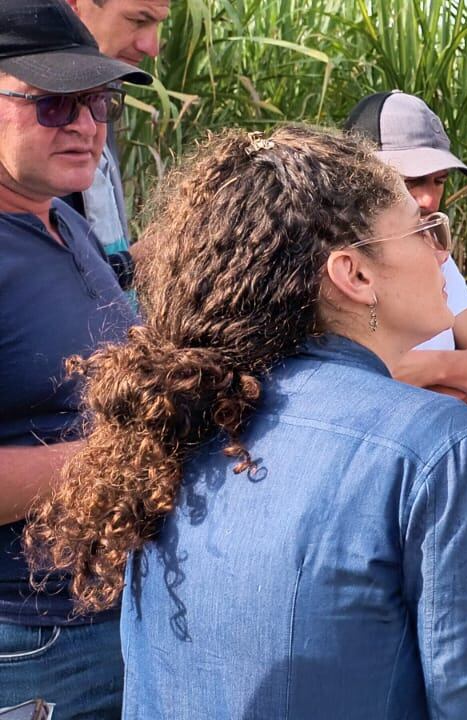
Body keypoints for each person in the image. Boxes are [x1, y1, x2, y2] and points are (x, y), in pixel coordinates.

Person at [25, 126, 467, 718]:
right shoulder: (438, 446)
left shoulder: (177, 414)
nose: (443, 253)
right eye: (423, 233)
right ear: (354, 274)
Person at [0, 4, 149, 714]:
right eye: (55, 103)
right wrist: (135, 449)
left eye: (99, 101)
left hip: (114, 616)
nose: (88, 125)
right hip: (32, 650)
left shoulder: (61, 216)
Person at [344, 90, 467, 405]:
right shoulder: (331, 267)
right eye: (410, 181)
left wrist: (424, 368)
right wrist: (458, 387)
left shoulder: (435, 253)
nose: (428, 200)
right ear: (357, 175)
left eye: (438, 180)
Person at [61, 0, 169, 289]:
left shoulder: (108, 89)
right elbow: (48, 281)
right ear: (74, 5)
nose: (152, 47)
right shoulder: (37, 124)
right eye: (138, 20)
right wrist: (134, 262)